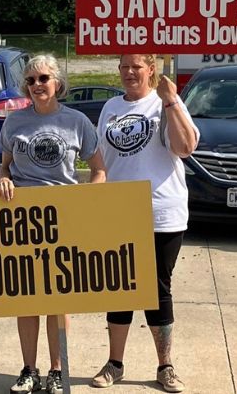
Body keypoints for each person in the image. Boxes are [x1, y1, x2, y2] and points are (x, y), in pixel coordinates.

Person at [0, 54, 108, 394]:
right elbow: (4, 166)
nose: (37, 85)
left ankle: (58, 371)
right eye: (30, 81)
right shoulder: (14, 123)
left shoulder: (76, 122)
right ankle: (29, 370)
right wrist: (4, 179)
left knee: (58, 300)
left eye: (43, 78)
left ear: (57, 82)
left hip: (64, 218)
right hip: (22, 219)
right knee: (26, 297)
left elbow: (99, 169)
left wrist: (89, 199)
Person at [90, 54, 199, 393]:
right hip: (119, 210)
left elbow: (186, 147)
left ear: (151, 69)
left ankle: (165, 366)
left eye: (136, 66)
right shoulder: (110, 108)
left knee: (156, 288)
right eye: (123, 67)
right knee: (119, 287)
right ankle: (115, 363)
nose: (128, 73)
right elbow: (101, 159)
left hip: (162, 211)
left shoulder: (164, 101)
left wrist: (170, 102)